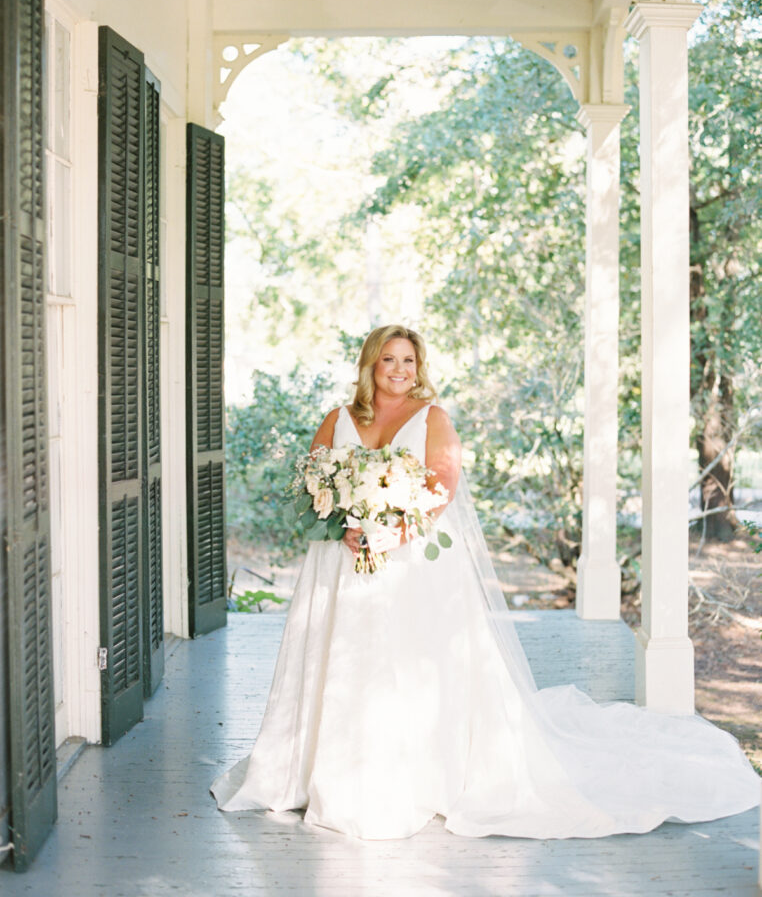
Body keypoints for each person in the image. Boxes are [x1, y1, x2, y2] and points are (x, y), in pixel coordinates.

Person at [211, 325, 759, 840]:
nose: (399, 369)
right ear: (370, 364)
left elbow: (440, 491)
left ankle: (412, 774)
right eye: (389, 359)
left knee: (405, 662)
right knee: (340, 657)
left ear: (418, 366)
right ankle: (322, 768)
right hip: (343, 562)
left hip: (410, 565)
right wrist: (347, 528)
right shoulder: (337, 418)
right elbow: (317, 484)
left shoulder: (432, 418)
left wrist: (389, 533)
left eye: (408, 360)